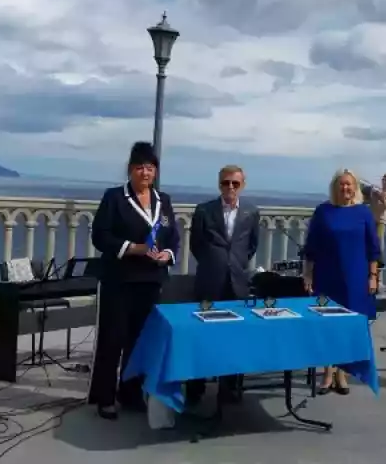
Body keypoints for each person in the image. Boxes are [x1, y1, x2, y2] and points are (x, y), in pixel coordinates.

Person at [89, 142, 180, 420]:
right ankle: (105, 397)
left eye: (150, 168)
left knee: (140, 340)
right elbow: (100, 236)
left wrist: (167, 254)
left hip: (151, 280)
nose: (145, 172)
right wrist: (133, 248)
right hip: (120, 280)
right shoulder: (115, 198)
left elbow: (173, 237)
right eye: (140, 167)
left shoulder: (163, 201)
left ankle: (130, 393)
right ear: (130, 170)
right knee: (112, 339)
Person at [302, 169, 381, 395]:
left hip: (356, 278)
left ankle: (343, 374)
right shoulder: (323, 211)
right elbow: (311, 246)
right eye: (341, 184)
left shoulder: (363, 212)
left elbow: (373, 248)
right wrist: (308, 274)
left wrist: (373, 276)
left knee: (350, 326)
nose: (345, 188)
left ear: (355, 187)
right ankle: (328, 373)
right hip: (327, 276)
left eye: (349, 184)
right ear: (335, 187)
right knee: (328, 325)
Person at [187, 164, 260, 405]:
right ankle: (196, 386)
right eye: (226, 183)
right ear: (219, 184)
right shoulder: (204, 210)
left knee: (233, 336)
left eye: (235, 183)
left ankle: (229, 387)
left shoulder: (251, 212)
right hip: (209, 281)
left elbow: (251, 245)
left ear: (242, 185)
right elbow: (196, 244)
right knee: (202, 334)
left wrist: (235, 265)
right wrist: (215, 263)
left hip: (236, 283)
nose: (230, 187)